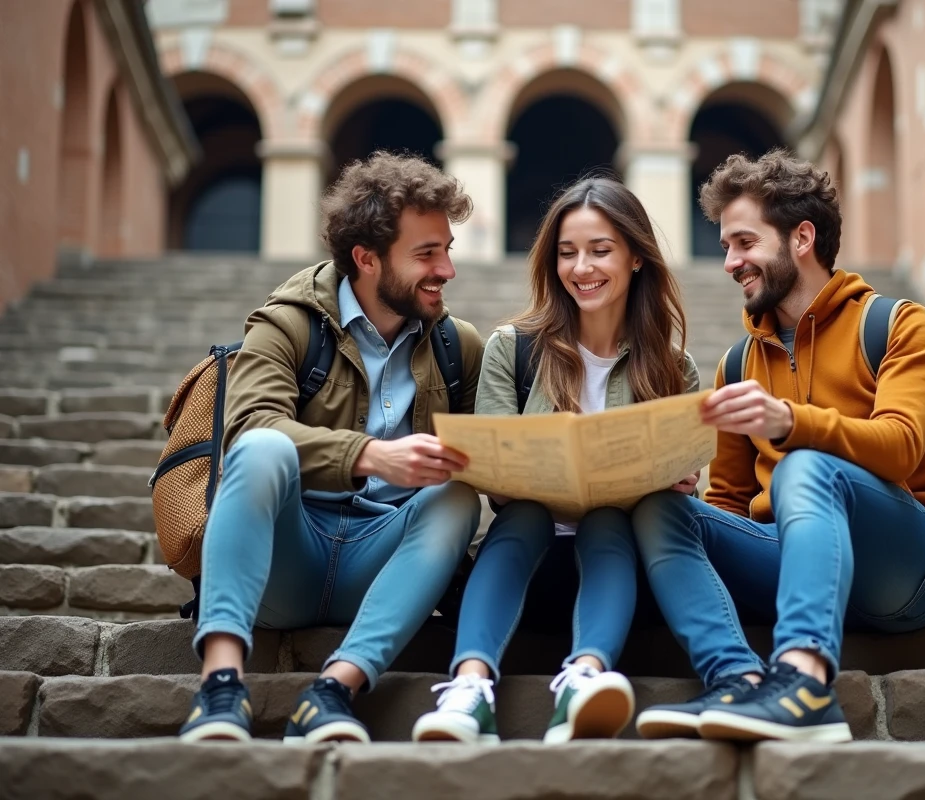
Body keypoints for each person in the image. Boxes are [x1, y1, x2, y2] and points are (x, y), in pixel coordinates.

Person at [631, 150, 925, 743]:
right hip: (794, 561)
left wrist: (792, 422)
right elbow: (734, 503)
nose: (730, 262)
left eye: (744, 242)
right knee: (658, 508)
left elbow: (898, 449)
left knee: (806, 467)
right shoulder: (738, 364)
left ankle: (804, 685)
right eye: (725, 247)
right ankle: (738, 682)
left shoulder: (898, 323)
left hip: (915, 565)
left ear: (802, 238)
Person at [178, 152, 484, 744]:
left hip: (384, 564)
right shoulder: (289, 323)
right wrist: (371, 456)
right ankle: (219, 688)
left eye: (447, 249)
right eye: (427, 254)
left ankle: (334, 690)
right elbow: (247, 432)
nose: (447, 269)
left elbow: (493, 456)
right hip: (285, 558)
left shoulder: (458, 346)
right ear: (367, 259)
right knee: (262, 449)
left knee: (458, 496)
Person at [411, 177, 700, 745]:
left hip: (623, 573)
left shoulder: (673, 368)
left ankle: (586, 680)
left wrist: (676, 478)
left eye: (599, 250)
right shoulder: (512, 348)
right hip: (530, 565)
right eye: (567, 253)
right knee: (522, 516)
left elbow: (687, 484)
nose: (581, 267)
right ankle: (470, 691)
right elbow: (495, 476)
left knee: (608, 518)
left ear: (636, 258)